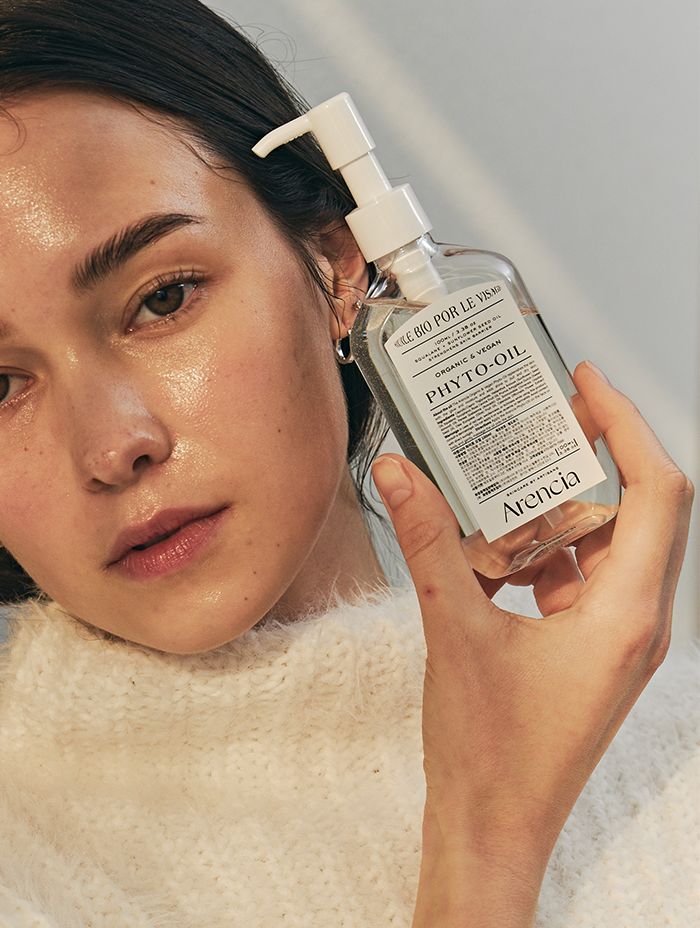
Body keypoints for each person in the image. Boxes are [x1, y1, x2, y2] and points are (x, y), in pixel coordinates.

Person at [0, 0, 695, 925]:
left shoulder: (675, 755)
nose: (114, 446)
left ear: (339, 267)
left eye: (163, 297)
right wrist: (483, 841)